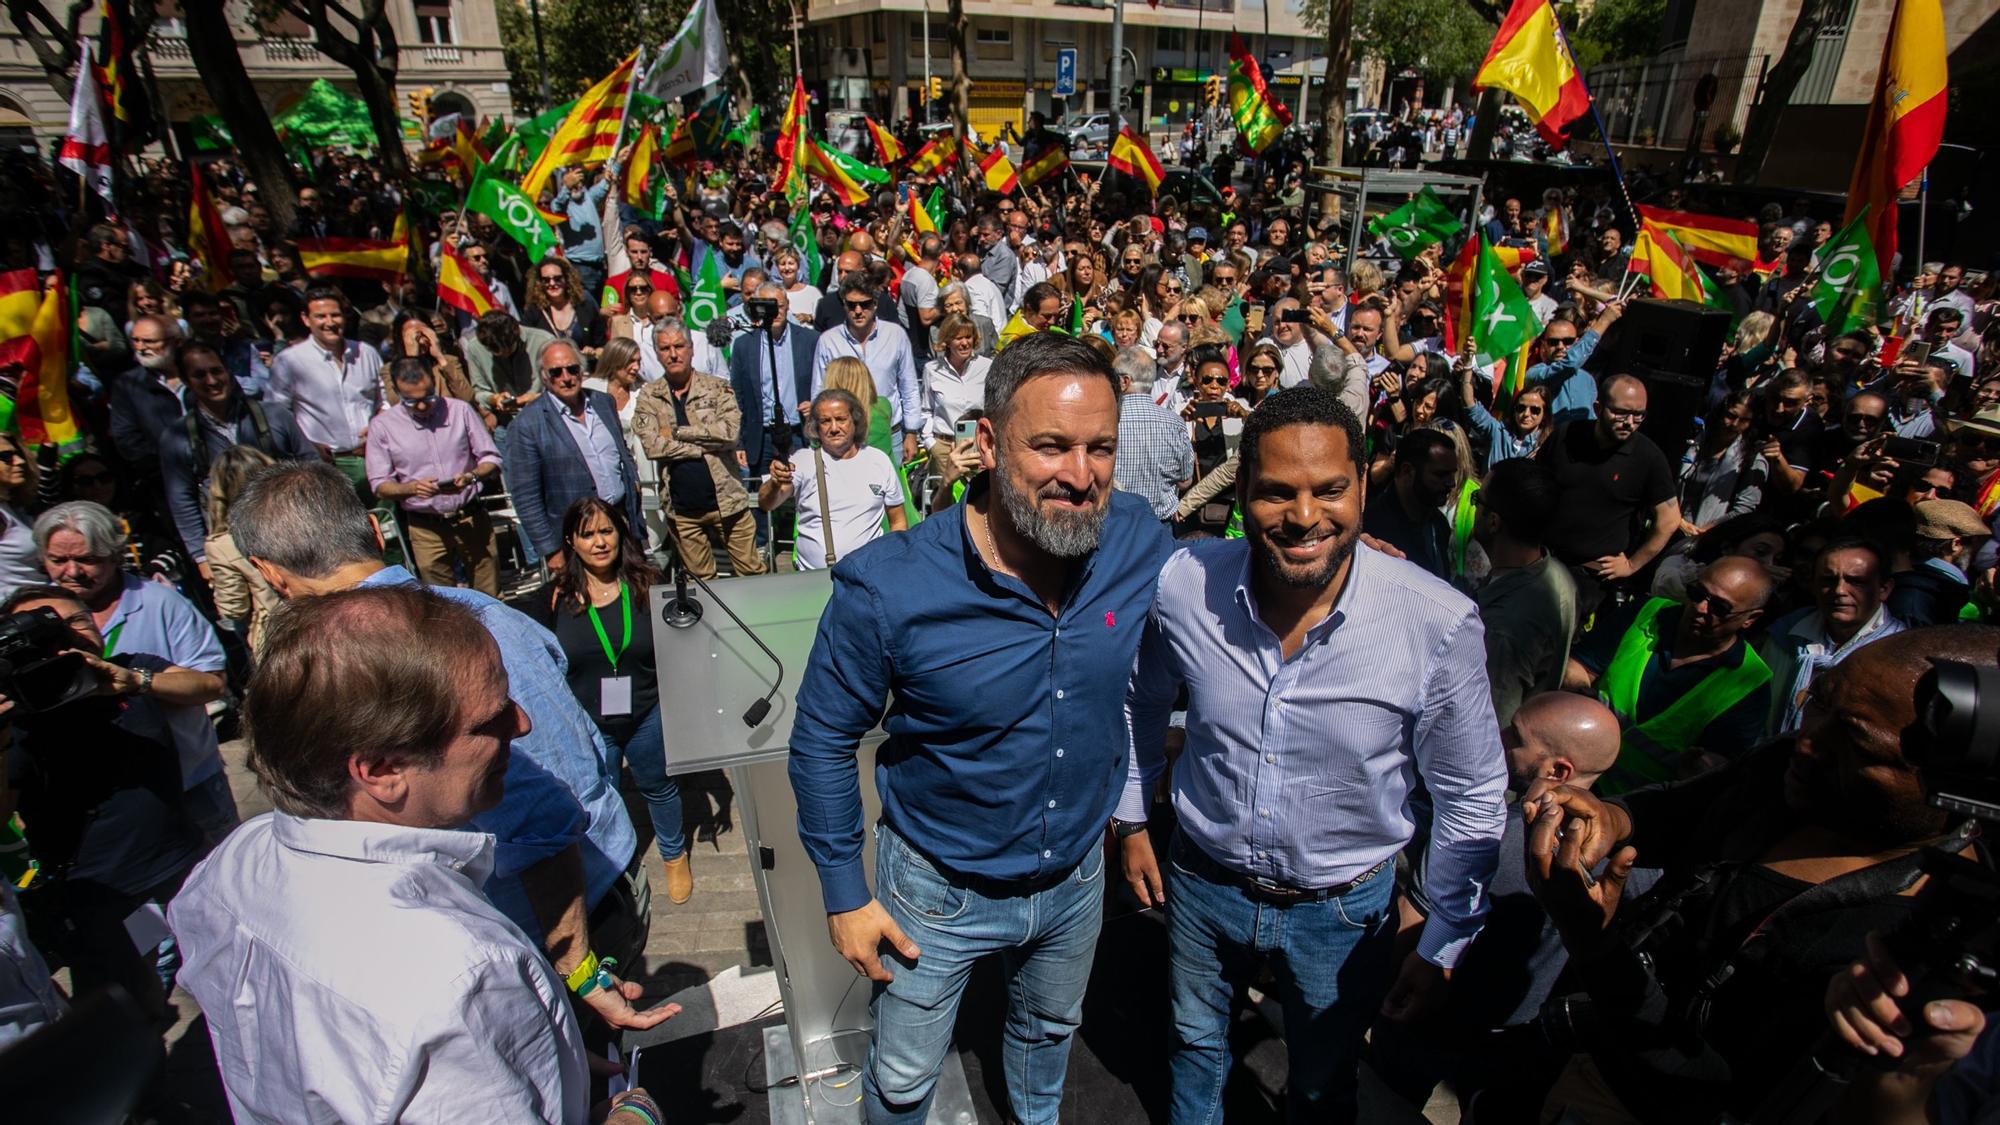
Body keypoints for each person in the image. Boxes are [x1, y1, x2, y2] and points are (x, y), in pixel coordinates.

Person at [788, 333, 1175, 1124]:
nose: (1080, 474)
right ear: (990, 444)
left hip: (1075, 879)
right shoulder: (889, 586)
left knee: (1048, 1037)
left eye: (1100, 447)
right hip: (935, 890)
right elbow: (823, 737)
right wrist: (843, 891)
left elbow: (1242, 577)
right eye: (1052, 445)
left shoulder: (1138, 538)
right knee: (900, 1077)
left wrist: (1354, 559)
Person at [1118, 385, 1507, 1125]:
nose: (1303, 517)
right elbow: (1140, 700)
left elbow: (1472, 796)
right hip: (1202, 883)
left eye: (1329, 489)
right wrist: (1134, 818)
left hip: (1344, 911)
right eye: (1275, 492)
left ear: (1365, 484)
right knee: (1195, 1050)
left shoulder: (1437, 622)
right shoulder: (1181, 585)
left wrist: (1445, 936)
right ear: (1242, 494)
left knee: (1325, 1084)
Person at [168, 586, 664, 1122]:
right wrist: (634, 1114)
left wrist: (543, 1064)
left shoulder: (229, 866)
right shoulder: (464, 974)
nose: (521, 724)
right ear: (381, 771)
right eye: (489, 719)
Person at [227, 462, 663, 1028]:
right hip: (583, 901)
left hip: (560, 929)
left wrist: (576, 971)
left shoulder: (406, 655)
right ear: (375, 530)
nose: (518, 725)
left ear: (271, 575)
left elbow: (543, 810)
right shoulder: (485, 612)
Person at [1525, 626, 2000, 1123]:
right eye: (1819, 700)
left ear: (1953, 789)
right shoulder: (1789, 770)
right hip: (1575, 1044)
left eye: (1858, 744)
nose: (1809, 742)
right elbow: (1683, 806)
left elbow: (1712, 1089)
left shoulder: (1897, 949)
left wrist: (1594, 945)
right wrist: (1613, 819)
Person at [1372, 693, 1644, 1117]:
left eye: (1514, 736)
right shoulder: (1630, 862)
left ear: (1558, 770)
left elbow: (1411, 927)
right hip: (1522, 1044)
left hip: (1429, 1024)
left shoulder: (1482, 838)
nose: (1497, 738)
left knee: (1383, 1107)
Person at [35, 501, 234, 845]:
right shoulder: (30, 616)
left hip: (186, 784)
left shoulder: (161, 604)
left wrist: (140, 681)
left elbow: (213, 683)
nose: (72, 572)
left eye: (86, 559)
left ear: (115, 556)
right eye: (58, 560)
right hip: (95, 801)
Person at [529, 498, 693, 905]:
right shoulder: (554, 599)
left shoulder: (647, 584)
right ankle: (616, 865)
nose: (599, 542)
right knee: (602, 794)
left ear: (621, 533)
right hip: (589, 721)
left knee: (659, 787)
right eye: (588, 534)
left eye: (606, 531)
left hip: (646, 713)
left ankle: (674, 855)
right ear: (571, 541)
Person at [1565, 556, 1776, 792]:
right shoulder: (1646, 613)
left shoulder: (1749, 684)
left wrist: (1698, 772)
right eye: (1697, 593)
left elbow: (1717, 767)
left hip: (1633, 809)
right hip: (1570, 774)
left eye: (1720, 607)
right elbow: (1579, 667)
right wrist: (1580, 696)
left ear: (1751, 619)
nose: (1700, 608)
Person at [157, 340, 315, 567]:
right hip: (233, 549)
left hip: (293, 531)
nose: (211, 381)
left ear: (228, 371)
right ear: (185, 381)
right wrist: (201, 556)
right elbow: (182, 499)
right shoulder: (177, 438)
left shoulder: (274, 416)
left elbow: (311, 464)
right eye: (200, 375)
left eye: (216, 371)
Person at [1540, 374, 1681, 624]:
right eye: (1621, 413)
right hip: (1542, 560)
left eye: (1639, 415)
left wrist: (1631, 564)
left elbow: (1669, 519)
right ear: (1598, 408)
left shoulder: (1648, 457)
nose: (1630, 422)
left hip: (1590, 578)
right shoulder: (1566, 436)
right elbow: (1537, 484)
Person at [634, 320, 765, 579]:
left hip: (728, 503)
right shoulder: (650, 395)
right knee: (703, 585)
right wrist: (701, 448)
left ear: (692, 349)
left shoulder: (717, 387)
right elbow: (652, 446)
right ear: (657, 353)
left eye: (679, 346)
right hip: (682, 511)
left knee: (752, 575)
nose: (673, 354)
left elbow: (729, 434)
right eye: (665, 348)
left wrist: (678, 432)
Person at [504, 339, 646, 571]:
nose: (566, 377)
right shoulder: (527, 424)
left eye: (572, 369)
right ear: (544, 376)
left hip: (620, 524)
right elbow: (526, 497)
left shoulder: (603, 403)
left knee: (634, 596)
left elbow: (622, 452)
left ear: (582, 371)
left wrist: (633, 483)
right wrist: (552, 551)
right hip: (575, 537)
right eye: (556, 372)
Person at [365, 358, 504, 596]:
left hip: (470, 517)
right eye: (411, 401)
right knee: (443, 603)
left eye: (428, 397)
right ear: (397, 393)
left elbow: (492, 459)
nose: (422, 406)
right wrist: (411, 488)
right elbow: (379, 485)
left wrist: (472, 476)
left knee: (490, 595)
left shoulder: (459, 410)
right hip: (426, 526)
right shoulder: (383, 426)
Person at [1761, 537, 1906, 736]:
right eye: (1828, 580)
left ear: (1884, 589)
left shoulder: (1899, 653)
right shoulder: (1785, 634)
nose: (1839, 591)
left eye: (1856, 581)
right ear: (1812, 585)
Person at [1472, 457, 1578, 725]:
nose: (1473, 507)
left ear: (1493, 521)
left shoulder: (1503, 627)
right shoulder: (1556, 574)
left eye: (1477, 499)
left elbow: (1491, 725)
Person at [758, 389, 907, 569]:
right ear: (816, 427)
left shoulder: (878, 461)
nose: (834, 428)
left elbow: (898, 521)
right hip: (816, 577)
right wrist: (774, 484)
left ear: (855, 422)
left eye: (841, 419)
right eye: (825, 421)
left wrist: (893, 561)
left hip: (868, 575)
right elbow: (767, 503)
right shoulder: (803, 460)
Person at [267, 287, 383, 492]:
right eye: (321, 316)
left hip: (375, 460)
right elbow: (277, 415)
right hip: (325, 468)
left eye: (335, 315)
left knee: (384, 522)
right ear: (306, 319)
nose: (330, 323)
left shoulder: (367, 354)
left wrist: (379, 426)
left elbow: (384, 401)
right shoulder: (289, 361)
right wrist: (307, 445)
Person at [812, 273, 922, 463]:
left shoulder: (896, 335)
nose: (858, 310)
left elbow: (909, 386)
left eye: (865, 304)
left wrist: (911, 433)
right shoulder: (828, 341)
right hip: (844, 437)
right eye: (851, 305)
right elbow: (819, 391)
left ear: (875, 304)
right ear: (844, 305)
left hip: (889, 433)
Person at [729, 282, 818, 474]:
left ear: (787, 306)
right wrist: (739, 443)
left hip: (799, 434)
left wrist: (815, 405)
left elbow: (825, 384)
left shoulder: (810, 340)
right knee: (765, 498)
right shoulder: (743, 346)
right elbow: (737, 399)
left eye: (779, 306)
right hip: (761, 440)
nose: (775, 312)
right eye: (768, 306)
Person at [202, 445, 282, 657]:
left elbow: (234, 608)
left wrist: (216, 587)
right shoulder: (300, 515)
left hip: (278, 637)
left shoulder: (222, 545)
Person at [1111, 346, 1195, 522]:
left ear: (1125, 382)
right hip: (1159, 524)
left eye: (1113, 378)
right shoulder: (1175, 423)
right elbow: (1185, 480)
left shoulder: (1108, 421)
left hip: (1116, 522)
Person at [1362, 427, 1457, 580]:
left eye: (1453, 474)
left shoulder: (1440, 526)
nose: (1451, 483)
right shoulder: (1372, 528)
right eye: (1441, 475)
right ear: (1407, 471)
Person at [1679, 391, 1768, 536]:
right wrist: (1676, 519)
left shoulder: (1752, 459)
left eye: (1744, 420)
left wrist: (1705, 531)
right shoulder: (1697, 440)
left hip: (1704, 535)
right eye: (1731, 416)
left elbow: (1743, 509)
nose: (1734, 424)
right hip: (1672, 524)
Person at [1892, 498, 1988, 624]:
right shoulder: (1919, 600)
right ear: (1956, 544)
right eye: (1974, 542)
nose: (1976, 549)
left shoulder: (1903, 581)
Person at [463, 311, 557, 439]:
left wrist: (536, 397)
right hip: (507, 426)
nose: (503, 354)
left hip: (547, 420)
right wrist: (495, 399)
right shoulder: (475, 348)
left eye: (508, 349)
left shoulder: (544, 341)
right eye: (496, 352)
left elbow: (562, 389)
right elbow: (479, 392)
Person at [0, 432, 40, 600]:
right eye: (6, 456)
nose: (20, 461)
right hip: (17, 612)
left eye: (19, 454)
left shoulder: (14, 506)